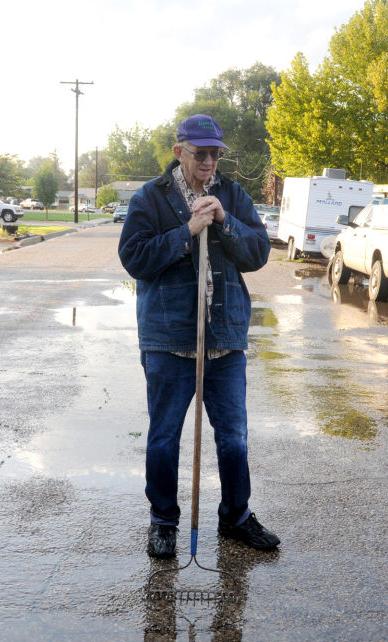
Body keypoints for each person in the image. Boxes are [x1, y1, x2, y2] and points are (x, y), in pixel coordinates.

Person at [119, 114, 280, 557]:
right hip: (169, 339)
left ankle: (236, 518)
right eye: (200, 153)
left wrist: (224, 222)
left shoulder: (231, 195)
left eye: (215, 154)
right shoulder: (150, 199)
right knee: (165, 436)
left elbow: (259, 253)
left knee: (234, 437)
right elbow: (134, 258)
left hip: (224, 339)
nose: (209, 162)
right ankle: (164, 522)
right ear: (179, 152)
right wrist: (187, 232)